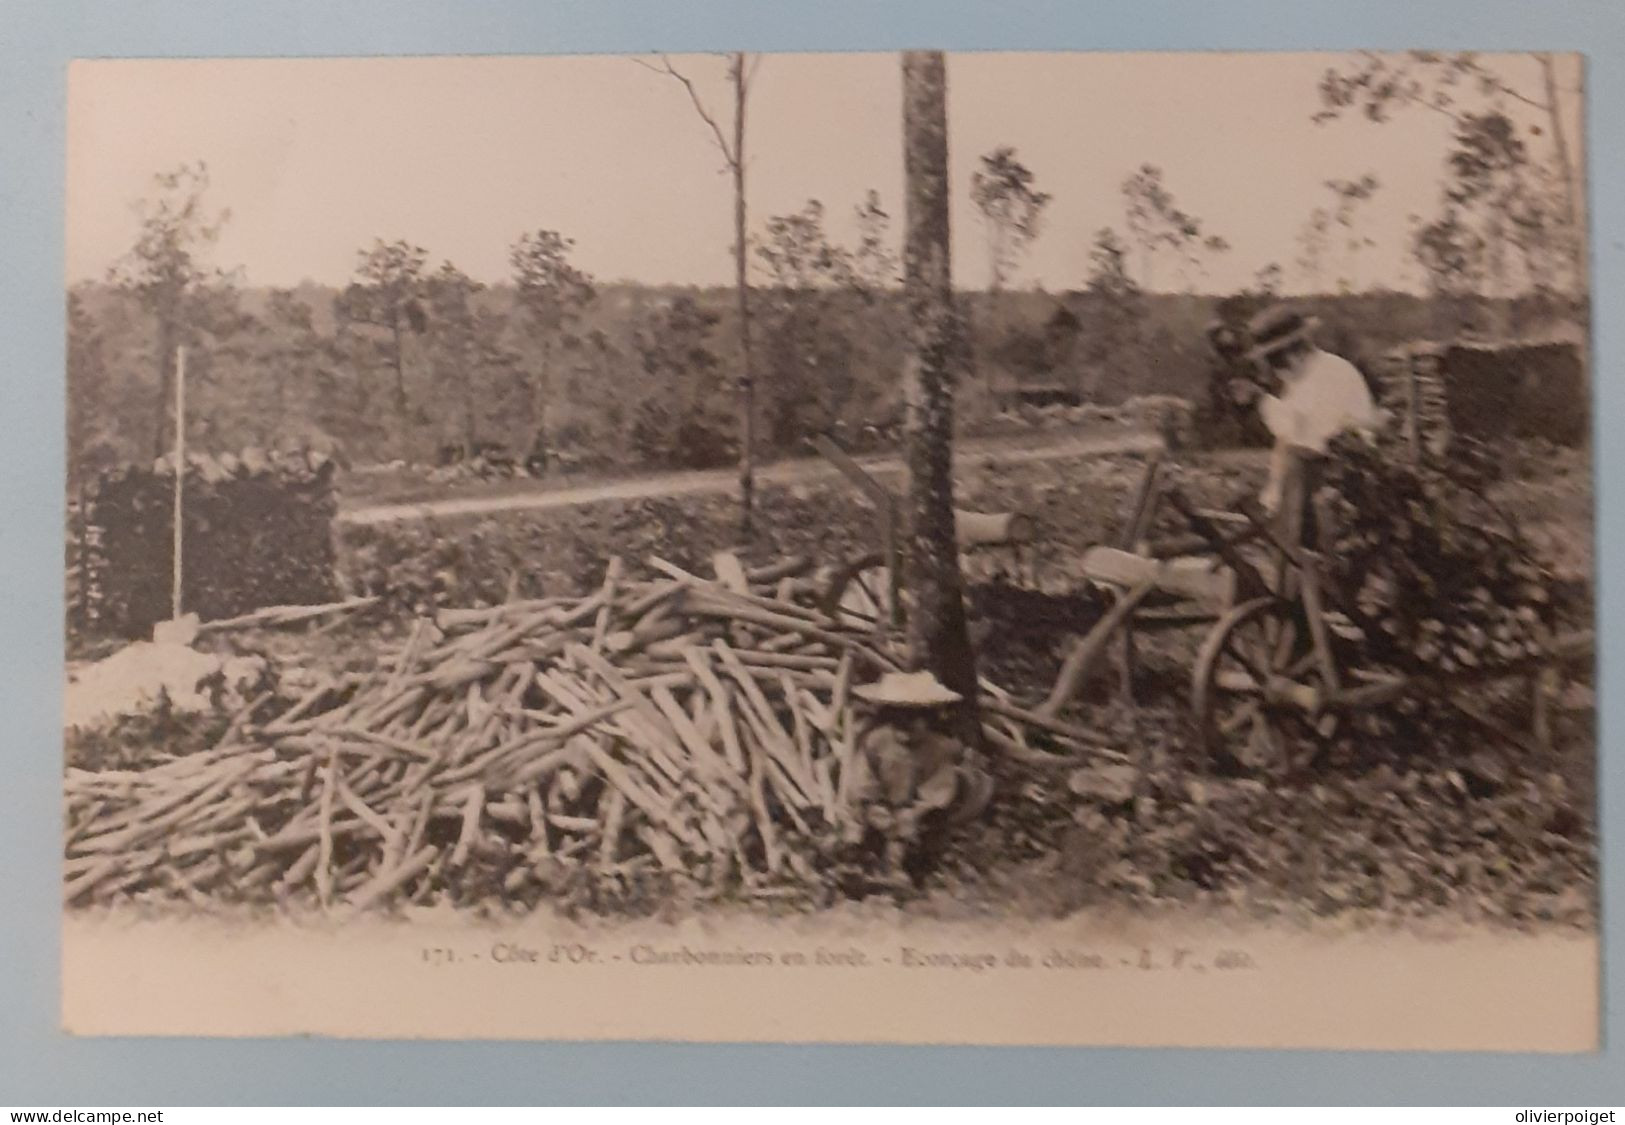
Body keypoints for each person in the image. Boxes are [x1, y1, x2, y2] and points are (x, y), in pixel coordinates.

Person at [1230, 306, 1383, 516]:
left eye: (1276, 361)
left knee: (1296, 457)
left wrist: (1262, 401)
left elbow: (1311, 441)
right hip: (1322, 476)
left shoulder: (1332, 374)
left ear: (1294, 352)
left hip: (1349, 480)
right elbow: (1287, 437)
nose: (1276, 370)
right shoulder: (1302, 379)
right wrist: (1272, 496)